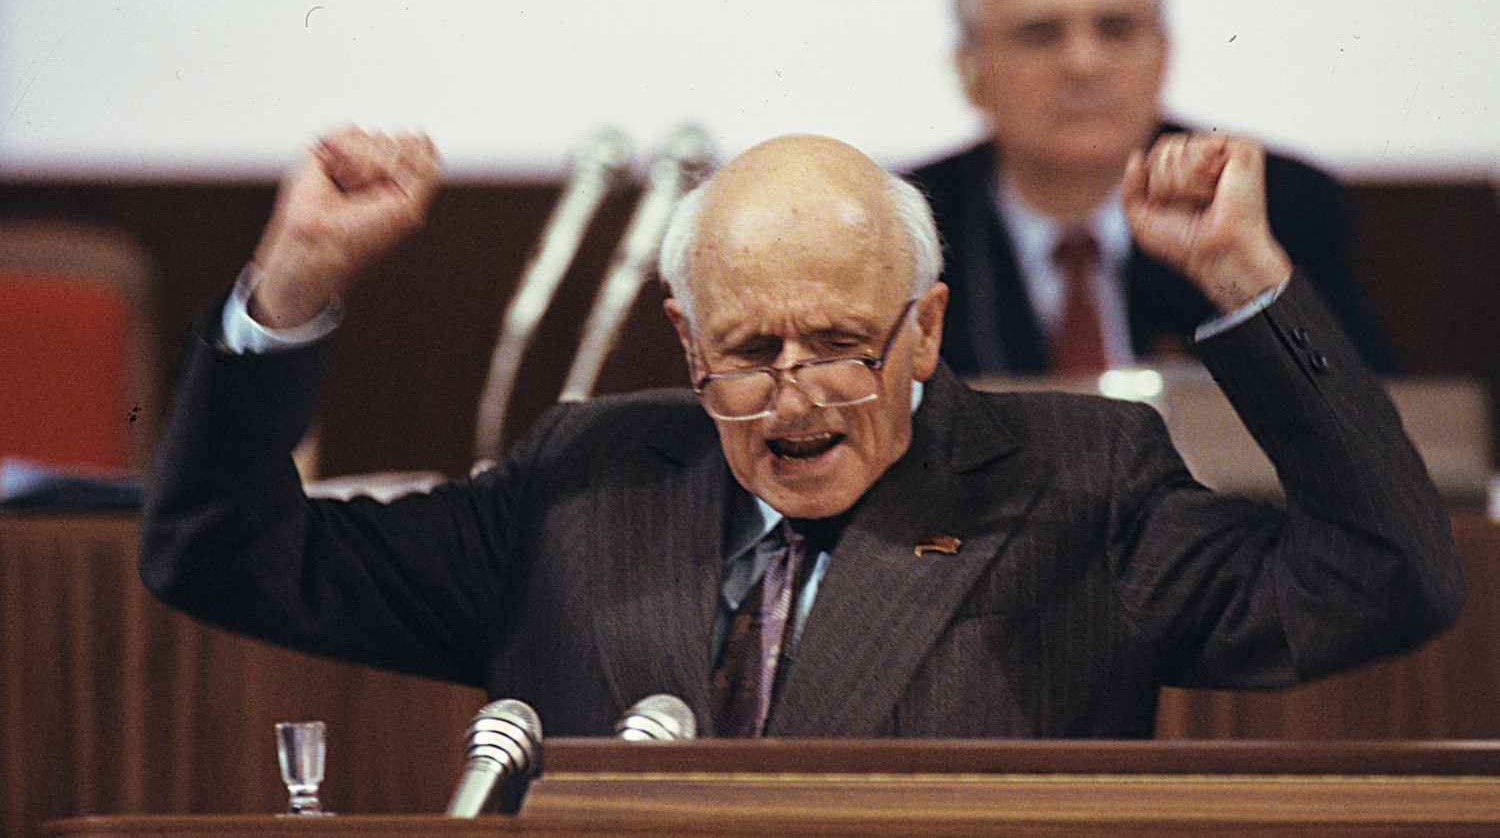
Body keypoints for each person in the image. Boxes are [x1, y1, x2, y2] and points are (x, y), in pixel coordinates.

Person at [141, 125, 1460, 739]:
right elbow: (218, 552)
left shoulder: (1079, 486)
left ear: (927, 332)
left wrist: (1246, 289)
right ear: (685, 343)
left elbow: (1387, 582)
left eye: (841, 345)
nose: (798, 394)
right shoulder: (579, 487)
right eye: (751, 352)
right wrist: (293, 290)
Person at [907, 0, 1396, 377]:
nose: (1083, 64)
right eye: (1040, 34)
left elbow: (1379, 430)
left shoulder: (1275, 200)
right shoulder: (908, 222)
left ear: (1163, 58)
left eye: (1116, 30)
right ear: (969, 70)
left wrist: (1246, 277)